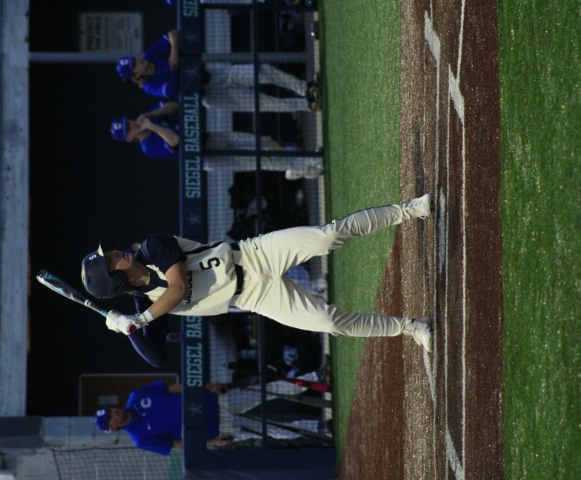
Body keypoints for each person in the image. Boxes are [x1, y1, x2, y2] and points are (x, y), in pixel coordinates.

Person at [80, 195, 435, 352]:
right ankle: (410, 327)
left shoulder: (152, 247)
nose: (115, 253)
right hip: (254, 298)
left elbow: (177, 287)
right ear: (116, 281)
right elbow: (156, 356)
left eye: (110, 253)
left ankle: (409, 210)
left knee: (328, 236)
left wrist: (139, 320)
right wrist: (126, 329)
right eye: (110, 261)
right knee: (330, 323)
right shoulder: (144, 305)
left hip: (254, 255)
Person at [116, 30, 321, 111]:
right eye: (134, 66)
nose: (138, 62)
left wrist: (174, 53)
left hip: (211, 74)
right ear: (136, 75)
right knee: (263, 102)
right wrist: (180, 68)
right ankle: (306, 104)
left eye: (134, 60)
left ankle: (305, 88)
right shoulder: (148, 85)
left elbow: (172, 34)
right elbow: (170, 90)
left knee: (262, 70)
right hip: (210, 95)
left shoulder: (150, 55)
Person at [110, 101, 323, 179]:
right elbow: (174, 140)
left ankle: (297, 169)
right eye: (128, 128)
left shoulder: (150, 117)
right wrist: (151, 127)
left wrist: (152, 115)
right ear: (129, 138)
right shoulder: (148, 147)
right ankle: (309, 161)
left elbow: (174, 105)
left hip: (210, 136)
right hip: (208, 157)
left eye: (128, 122)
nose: (132, 124)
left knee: (264, 143)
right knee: (261, 159)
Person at [94, 380, 232, 454]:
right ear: (113, 427)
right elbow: (175, 445)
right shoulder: (140, 439)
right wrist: (212, 442)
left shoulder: (136, 396)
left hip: (214, 400)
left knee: (245, 392)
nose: (114, 412)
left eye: (110, 410)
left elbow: (172, 389)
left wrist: (207, 387)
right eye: (110, 417)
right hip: (216, 427)